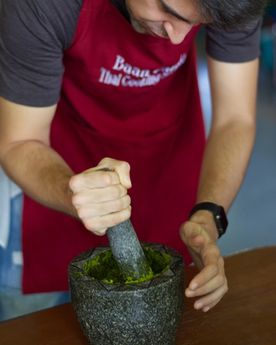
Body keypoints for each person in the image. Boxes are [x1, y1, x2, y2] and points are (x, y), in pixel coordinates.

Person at [0, 0, 266, 318]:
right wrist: (70, 193)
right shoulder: (42, 6)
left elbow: (234, 120)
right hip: (49, 171)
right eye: (168, 11)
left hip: (165, 167)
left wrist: (208, 217)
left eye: (197, 24)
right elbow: (19, 141)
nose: (179, 38)